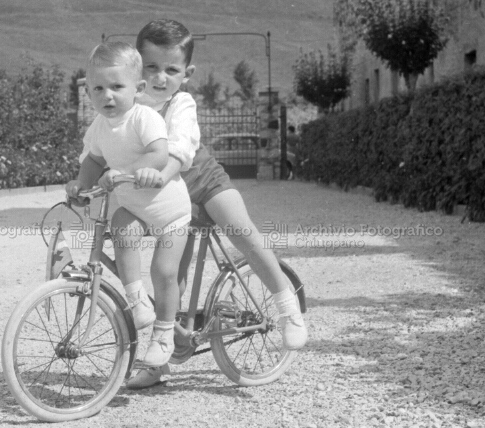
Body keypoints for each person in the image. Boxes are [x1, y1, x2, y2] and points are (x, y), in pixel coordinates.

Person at [127, 19, 308, 389]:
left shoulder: (181, 104)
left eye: (171, 69)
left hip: (203, 182)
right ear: (136, 66)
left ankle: (288, 309)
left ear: (187, 74)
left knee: (242, 232)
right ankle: (161, 359)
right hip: (172, 199)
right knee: (168, 275)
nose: (161, 77)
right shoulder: (129, 106)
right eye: (151, 67)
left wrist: (160, 172)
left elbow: (179, 148)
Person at [66, 41, 191, 367]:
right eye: (98, 88)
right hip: (135, 208)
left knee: (164, 271)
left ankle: (164, 334)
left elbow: (158, 153)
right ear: (88, 92)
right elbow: (93, 160)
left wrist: (139, 169)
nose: (107, 95)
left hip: (170, 211)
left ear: (137, 89)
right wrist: (81, 184)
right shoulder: (99, 126)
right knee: (121, 226)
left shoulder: (143, 117)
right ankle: (137, 302)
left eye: (117, 87)